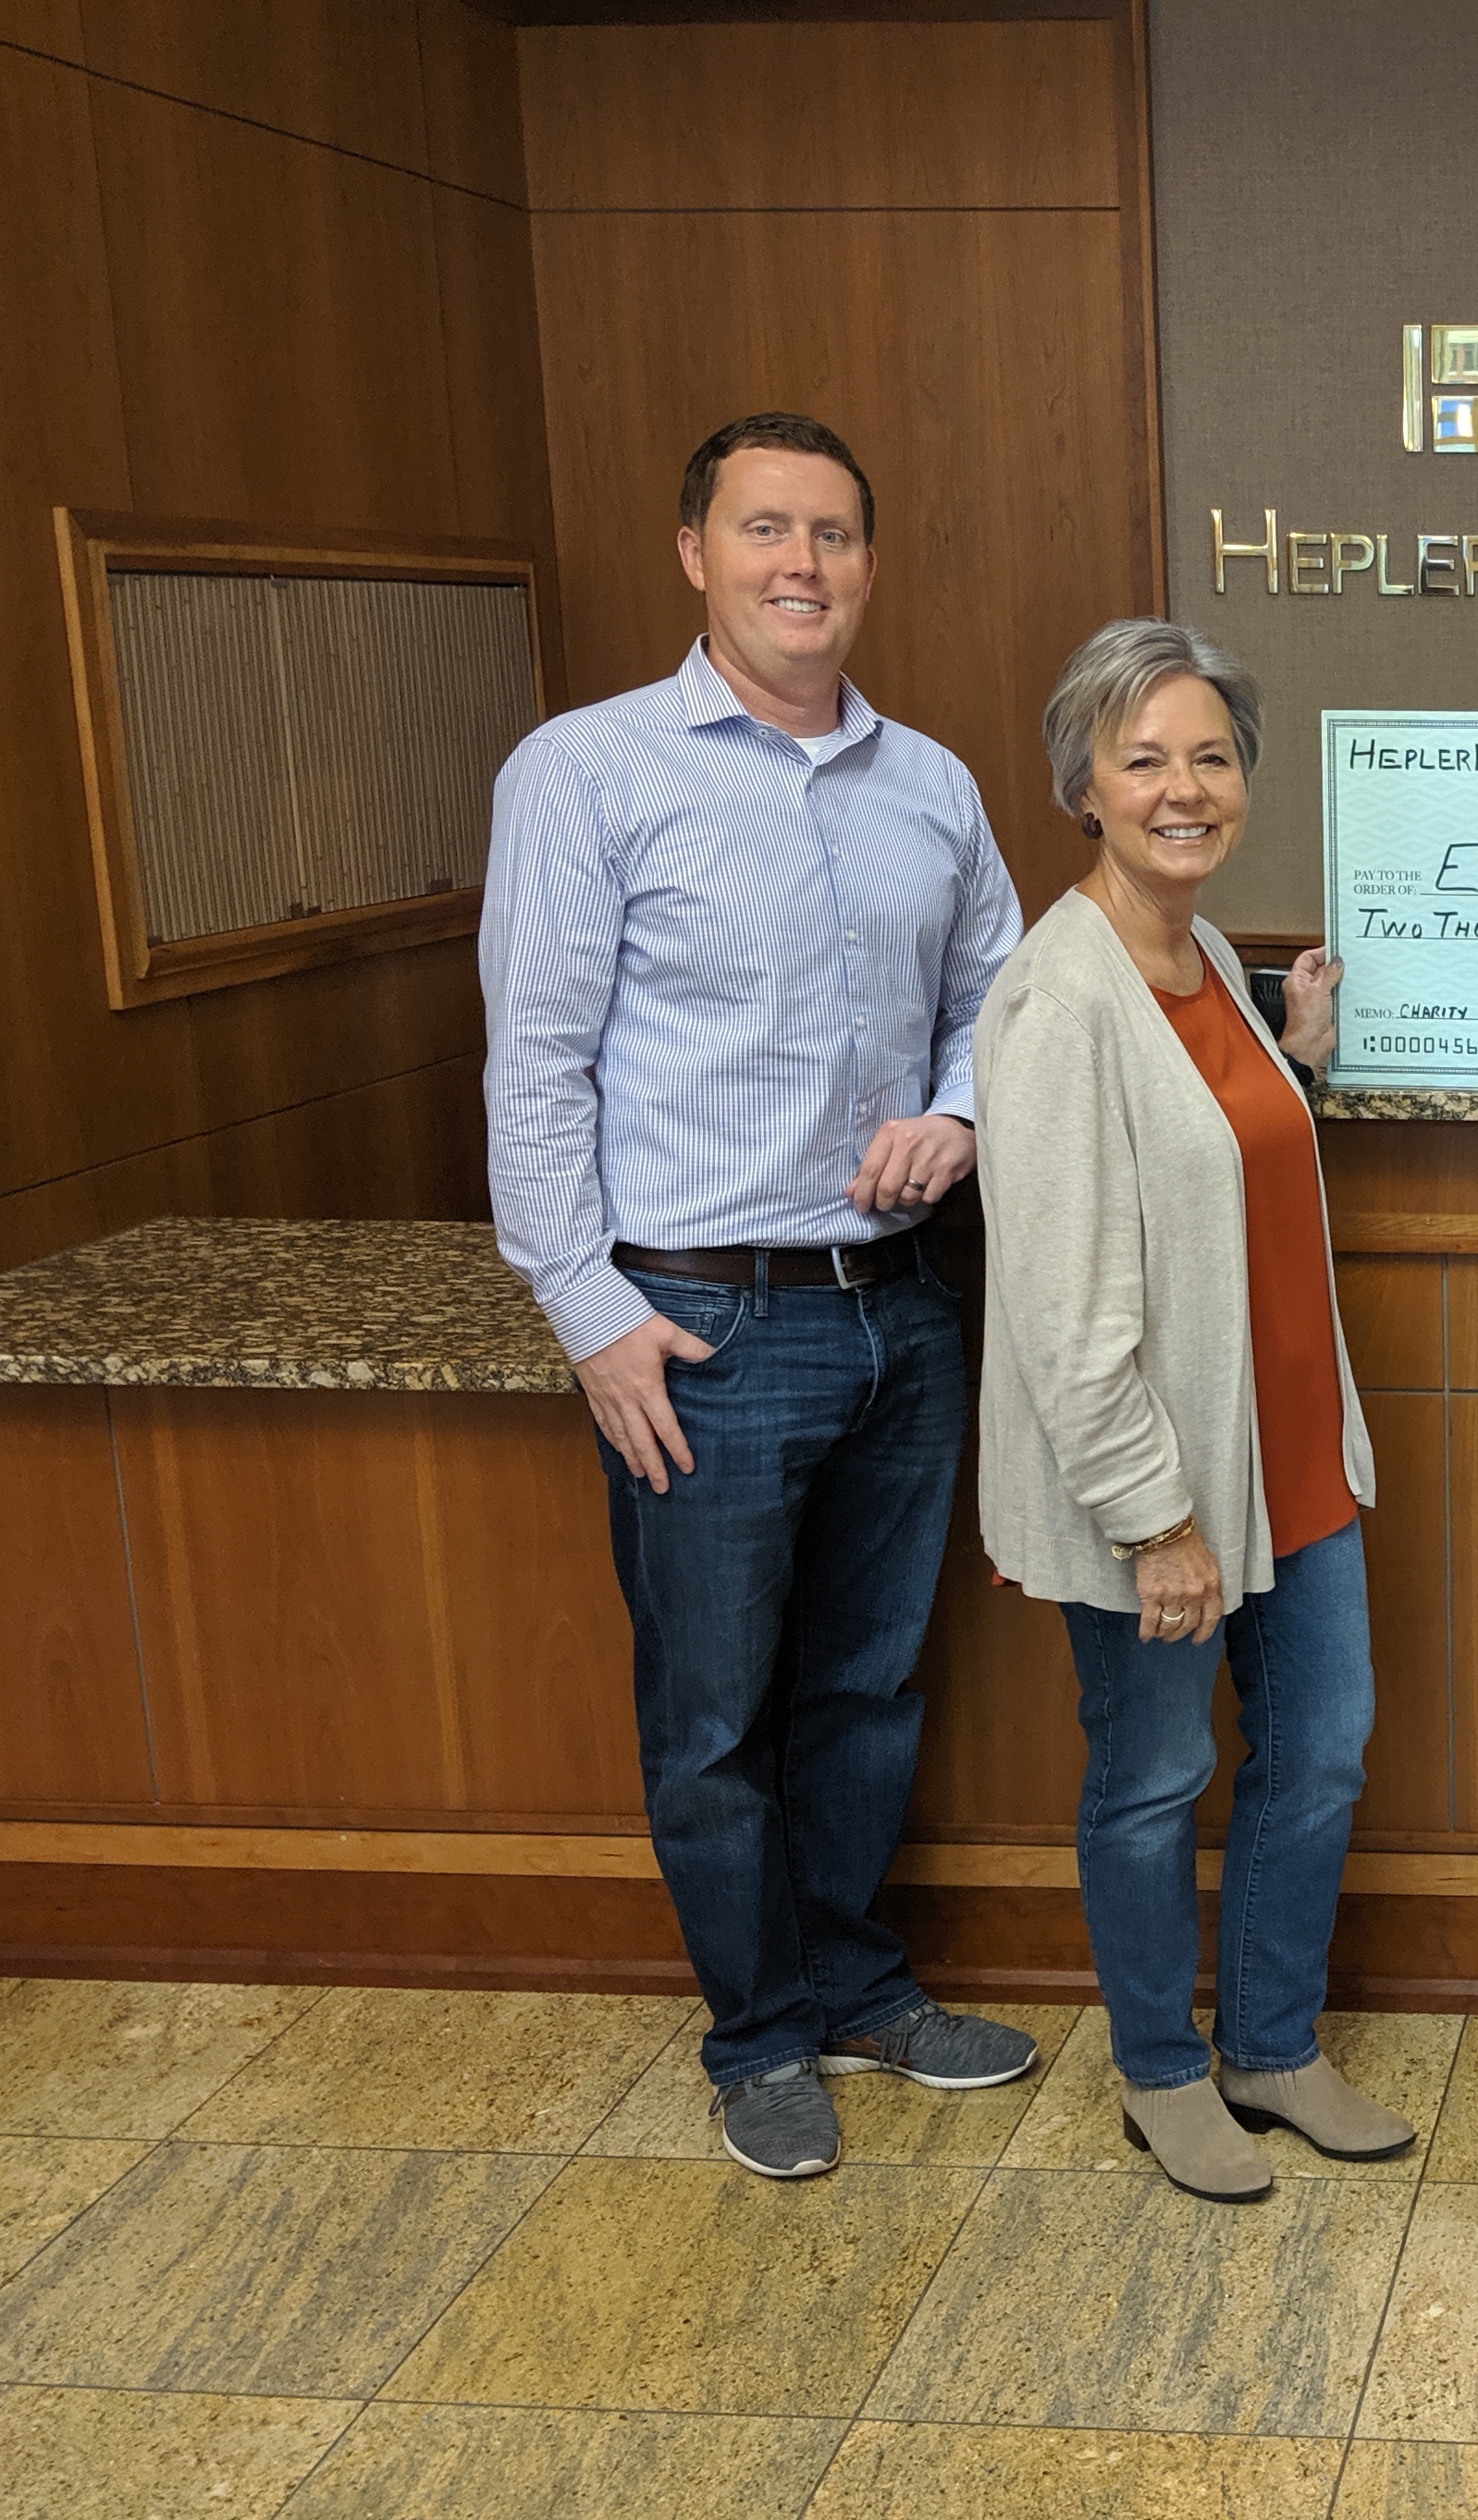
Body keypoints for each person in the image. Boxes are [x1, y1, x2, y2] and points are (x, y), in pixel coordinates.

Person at [481, 411, 1041, 2182]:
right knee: (713, 1716)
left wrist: (955, 1114)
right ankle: (760, 2036)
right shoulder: (585, 772)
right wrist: (589, 1310)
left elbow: (999, 996)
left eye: (834, 535)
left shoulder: (932, 784)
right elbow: (533, 1068)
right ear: (695, 554)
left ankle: (861, 1988)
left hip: (898, 1311)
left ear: (871, 564)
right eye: (764, 531)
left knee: (869, 1690)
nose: (802, 564)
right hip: (697, 1326)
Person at [971, 618, 1398, 2206]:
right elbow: (1069, 1312)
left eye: (1212, 756)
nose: (1185, 787)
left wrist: (1302, 1070)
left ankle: (1272, 2045)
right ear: (1084, 782)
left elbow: (1215, 1177)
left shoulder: (1204, 955)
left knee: (1321, 1751)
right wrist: (1153, 1518)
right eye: (1145, 758)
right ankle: (1163, 2070)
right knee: (1152, 1781)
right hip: (1160, 1489)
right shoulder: (1060, 997)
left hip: (1290, 1456)